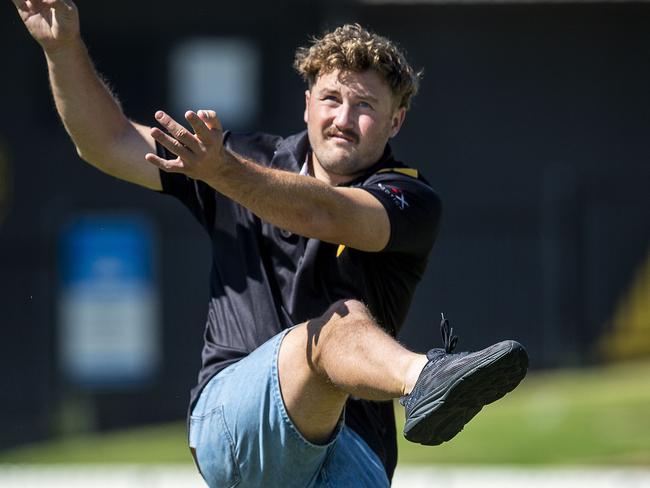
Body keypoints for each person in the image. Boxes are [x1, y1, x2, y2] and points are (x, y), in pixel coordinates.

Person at [13, 1, 529, 486]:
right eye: (331, 99)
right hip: (233, 422)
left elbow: (324, 211)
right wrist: (62, 49)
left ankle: (428, 381)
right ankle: (427, 377)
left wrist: (223, 172)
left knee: (336, 331)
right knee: (336, 327)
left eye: (365, 106)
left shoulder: (410, 195)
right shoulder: (234, 160)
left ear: (396, 121)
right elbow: (107, 142)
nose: (343, 120)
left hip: (355, 450)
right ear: (306, 104)